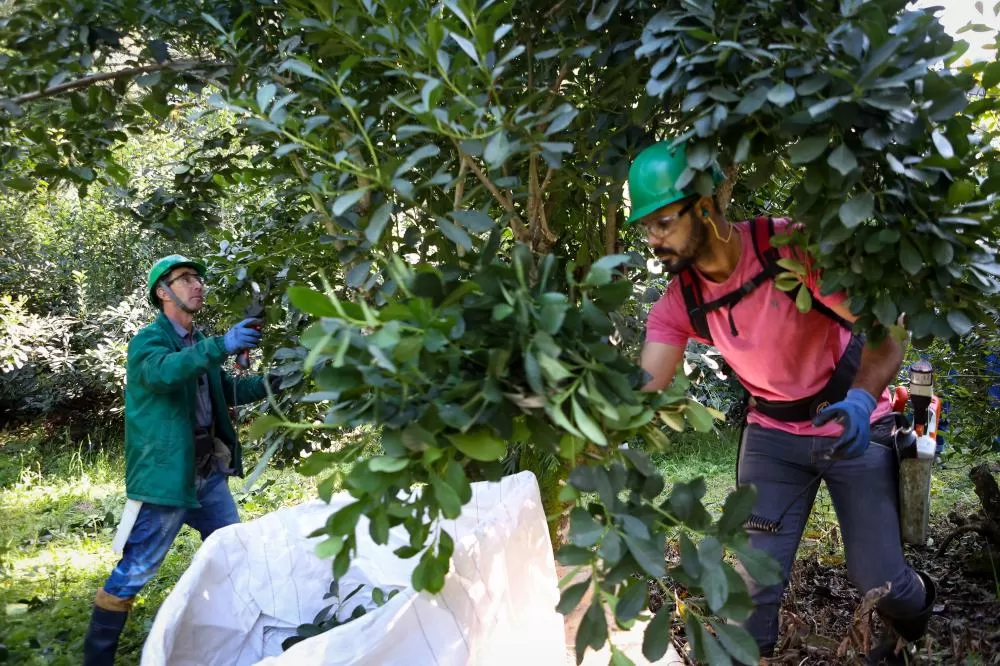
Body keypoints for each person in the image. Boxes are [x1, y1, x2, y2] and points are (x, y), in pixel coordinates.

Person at [630, 142, 935, 663]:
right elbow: (645, 387)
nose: (653, 239)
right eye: (646, 228)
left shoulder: (790, 248)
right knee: (749, 590)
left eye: (661, 222)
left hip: (853, 427)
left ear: (703, 206)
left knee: (880, 578)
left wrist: (862, 401)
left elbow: (887, 330)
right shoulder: (679, 301)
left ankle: (919, 605)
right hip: (773, 438)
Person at [82, 255, 279, 665]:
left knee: (234, 552)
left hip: (207, 474)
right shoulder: (149, 342)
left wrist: (278, 381)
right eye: (186, 278)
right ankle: (96, 660)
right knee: (137, 569)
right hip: (167, 477)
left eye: (199, 278)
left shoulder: (198, 342)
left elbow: (229, 392)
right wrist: (222, 346)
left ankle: (237, 637)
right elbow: (164, 374)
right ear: (162, 291)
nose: (197, 285)